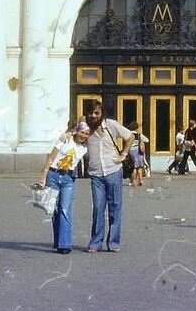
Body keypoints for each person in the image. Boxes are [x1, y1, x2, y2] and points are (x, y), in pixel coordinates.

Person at [83, 100, 132, 253]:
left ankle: (113, 242)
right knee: (98, 208)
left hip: (113, 170)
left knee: (115, 207)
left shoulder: (111, 125)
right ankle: (96, 242)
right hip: (96, 174)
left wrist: (123, 154)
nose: (93, 115)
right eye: (91, 113)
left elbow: (130, 137)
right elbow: (72, 135)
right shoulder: (85, 127)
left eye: (96, 113)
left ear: (102, 113)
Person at [37, 120, 91, 254]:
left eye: (86, 134)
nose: (84, 136)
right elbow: (50, 158)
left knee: (65, 209)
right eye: (82, 132)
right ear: (77, 131)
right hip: (53, 175)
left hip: (68, 178)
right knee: (54, 209)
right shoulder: (64, 140)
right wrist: (43, 177)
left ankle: (64, 244)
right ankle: (58, 241)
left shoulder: (85, 148)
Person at [126, 121, 149, 187]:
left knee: (133, 167)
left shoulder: (128, 134)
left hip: (131, 151)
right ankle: (141, 180)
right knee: (139, 167)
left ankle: (133, 181)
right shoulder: (139, 135)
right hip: (139, 152)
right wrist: (140, 141)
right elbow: (147, 140)